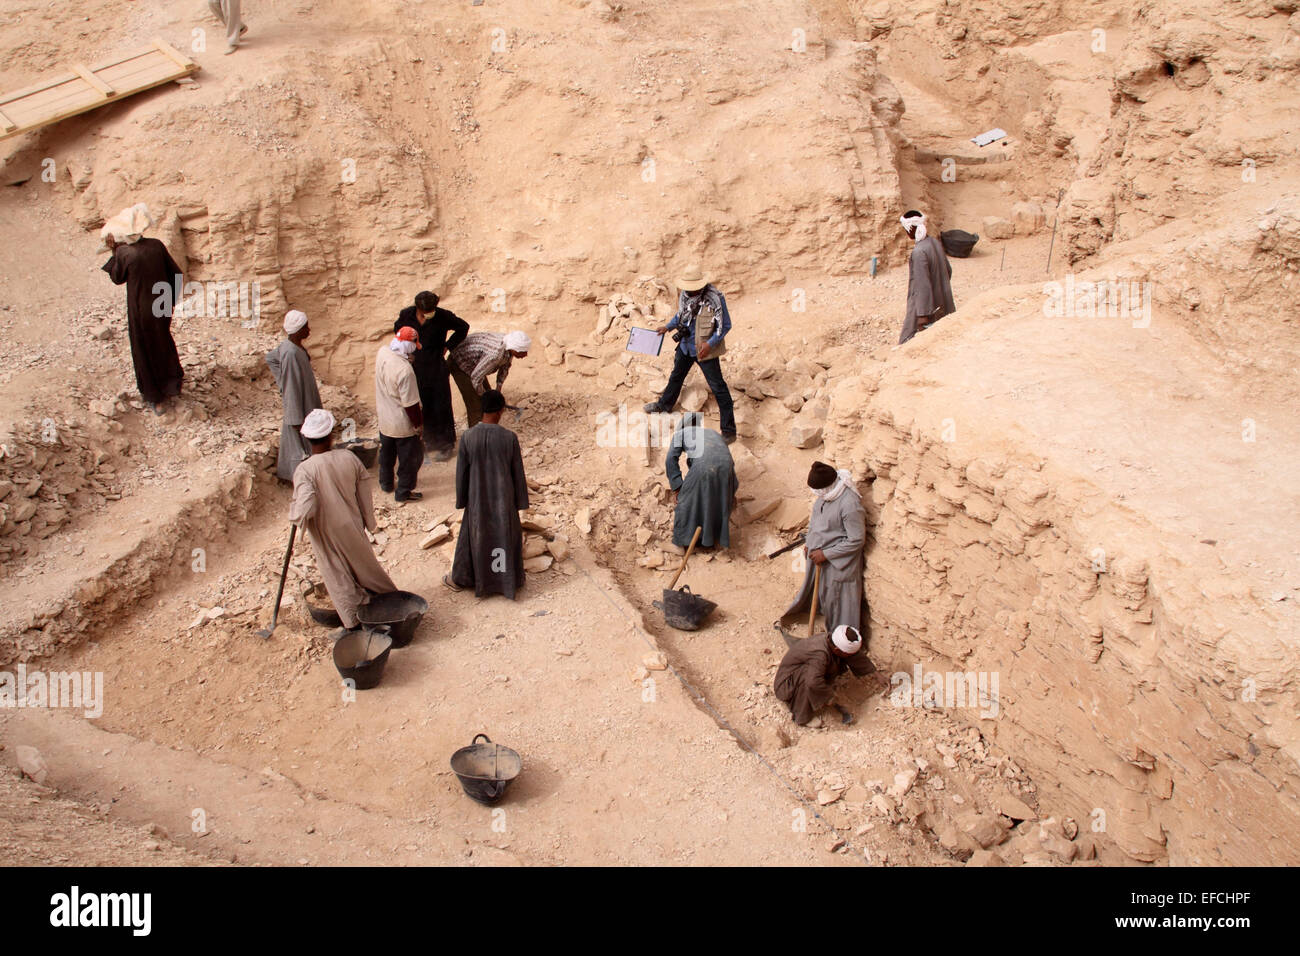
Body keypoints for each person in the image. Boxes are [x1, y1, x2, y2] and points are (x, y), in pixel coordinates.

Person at [289, 409, 397, 635]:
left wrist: (296, 516)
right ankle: (392, 602)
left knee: (337, 575)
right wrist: (369, 522)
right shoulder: (349, 458)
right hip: (352, 524)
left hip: (326, 531)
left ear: (307, 439)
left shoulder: (305, 470)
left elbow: (306, 505)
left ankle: (353, 624)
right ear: (330, 436)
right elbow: (364, 493)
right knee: (366, 567)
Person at [444, 389, 530, 599]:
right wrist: (520, 502)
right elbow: (517, 473)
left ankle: (469, 579)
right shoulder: (509, 438)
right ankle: (508, 581)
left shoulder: (468, 437)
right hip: (504, 501)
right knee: (503, 538)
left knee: (474, 539)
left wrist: (462, 500)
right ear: (500, 411)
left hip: (477, 501)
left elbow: (461, 474)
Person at [100, 204, 184, 415]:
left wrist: (113, 251)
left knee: (144, 350)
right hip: (161, 307)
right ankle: (173, 385)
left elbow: (117, 278)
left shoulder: (125, 253)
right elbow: (176, 273)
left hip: (141, 312)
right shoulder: (156, 245)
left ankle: (155, 397)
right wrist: (170, 301)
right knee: (164, 343)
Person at [643, 265, 736, 443]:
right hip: (686, 346)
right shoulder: (685, 294)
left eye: (693, 289)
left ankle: (729, 432)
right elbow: (680, 315)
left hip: (704, 351)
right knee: (676, 376)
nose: (690, 292)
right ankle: (664, 405)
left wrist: (710, 344)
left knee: (718, 388)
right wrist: (667, 327)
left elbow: (725, 326)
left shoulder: (715, 298)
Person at [780, 461, 867, 638]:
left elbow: (856, 540)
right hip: (818, 557)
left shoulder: (849, 505)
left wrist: (826, 554)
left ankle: (841, 642)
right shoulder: (826, 494)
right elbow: (816, 520)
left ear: (829, 485)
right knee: (824, 597)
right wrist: (810, 541)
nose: (817, 494)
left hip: (839, 564)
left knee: (838, 601)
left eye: (819, 491)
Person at [394, 291, 470, 461]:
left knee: (441, 404)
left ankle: (445, 444)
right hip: (415, 366)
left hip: (436, 366)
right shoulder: (407, 315)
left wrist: (448, 346)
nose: (429, 313)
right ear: (418, 308)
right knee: (422, 403)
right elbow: (397, 330)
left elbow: (463, 327)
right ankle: (428, 441)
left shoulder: (443, 316)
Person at [774, 625, 874, 726]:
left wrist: (875, 673)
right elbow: (813, 682)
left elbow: (854, 655)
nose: (849, 656)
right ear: (836, 649)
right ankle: (801, 717)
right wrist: (829, 697)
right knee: (810, 679)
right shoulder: (820, 655)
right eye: (846, 654)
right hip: (786, 685)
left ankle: (818, 695)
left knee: (821, 671)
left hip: (808, 670)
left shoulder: (832, 639)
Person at [665, 412, 738, 550]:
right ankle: (712, 540)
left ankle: (681, 545)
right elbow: (723, 455)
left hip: (705, 464)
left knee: (685, 502)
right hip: (727, 466)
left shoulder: (681, 434)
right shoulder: (713, 433)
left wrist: (677, 487)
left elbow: (670, 459)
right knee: (717, 501)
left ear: (682, 427)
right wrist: (730, 493)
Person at [265, 309, 322, 482]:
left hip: (306, 397)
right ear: (298, 330)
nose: (309, 330)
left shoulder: (292, 347)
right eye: (306, 327)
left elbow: (271, 357)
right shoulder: (290, 353)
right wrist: (296, 417)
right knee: (300, 445)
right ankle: (301, 479)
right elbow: (291, 388)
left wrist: (281, 380)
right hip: (300, 404)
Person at [375, 326, 424, 502]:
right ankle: (404, 491)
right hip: (402, 424)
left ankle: (386, 483)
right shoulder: (405, 371)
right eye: (414, 345)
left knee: (386, 454)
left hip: (384, 418)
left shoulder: (383, 353)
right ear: (409, 345)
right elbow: (411, 405)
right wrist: (418, 426)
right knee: (409, 459)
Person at [448, 331, 530, 428]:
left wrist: (498, 389)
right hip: (460, 363)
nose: (525, 355)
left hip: (474, 363)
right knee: (477, 404)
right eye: (523, 352)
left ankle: (490, 429)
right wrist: (485, 398)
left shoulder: (508, 345)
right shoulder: (494, 355)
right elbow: (475, 378)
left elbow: (505, 367)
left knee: (490, 397)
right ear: (515, 348)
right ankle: (477, 436)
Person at [897, 209, 956, 344]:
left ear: (910, 229)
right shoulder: (934, 242)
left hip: (924, 308)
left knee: (907, 340)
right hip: (943, 302)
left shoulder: (919, 252)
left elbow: (922, 286)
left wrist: (923, 316)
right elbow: (948, 270)